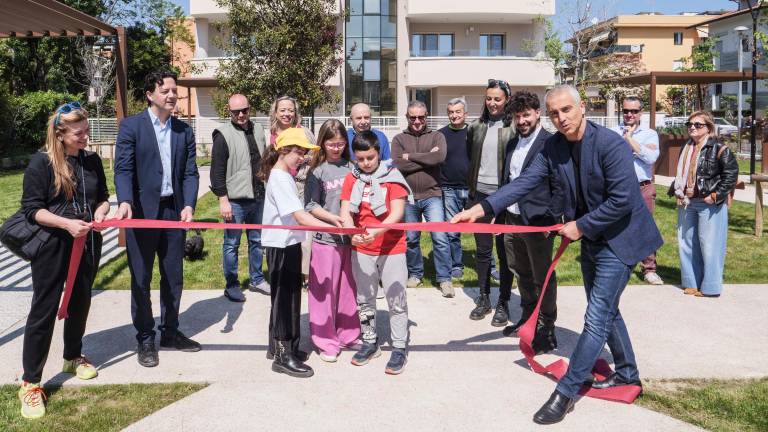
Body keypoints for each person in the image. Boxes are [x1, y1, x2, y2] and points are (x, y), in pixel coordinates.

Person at [453, 85, 663, 425]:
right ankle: (627, 373)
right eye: (554, 113)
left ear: (582, 108)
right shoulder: (552, 147)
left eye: (566, 110)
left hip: (622, 240)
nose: (561, 118)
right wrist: (483, 207)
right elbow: (525, 182)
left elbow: (623, 200)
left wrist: (580, 225)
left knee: (595, 317)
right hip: (595, 239)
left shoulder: (610, 144)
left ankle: (566, 392)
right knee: (608, 312)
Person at [17, 102, 110, 419]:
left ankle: (73, 356)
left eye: (87, 131)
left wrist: (101, 211)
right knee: (43, 310)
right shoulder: (41, 164)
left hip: (86, 245)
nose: (86, 137)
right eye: (79, 133)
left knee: (81, 301)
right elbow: (32, 209)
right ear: (61, 134)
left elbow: (103, 197)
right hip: (52, 246)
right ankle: (31, 383)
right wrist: (67, 224)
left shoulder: (92, 160)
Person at [114, 70, 201, 368]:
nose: (173, 95)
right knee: (141, 279)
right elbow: (123, 169)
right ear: (151, 94)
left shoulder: (183, 131)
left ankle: (171, 332)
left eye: (174, 90)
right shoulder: (131, 127)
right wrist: (125, 200)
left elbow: (190, 172)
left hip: (173, 212)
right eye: (166, 90)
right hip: (141, 213)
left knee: (173, 277)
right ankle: (145, 337)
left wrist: (188, 204)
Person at [259, 128, 334, 378]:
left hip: (288, 243)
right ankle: (282, 356)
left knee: (289, 298)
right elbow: (300, 217)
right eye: (298, 152)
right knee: (284, 301)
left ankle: (284, 347)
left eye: (304, 152)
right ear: (283, 151)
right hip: (281, 246)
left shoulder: (284, 176)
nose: (302, 157)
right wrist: (335, 229)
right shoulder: (280, 178)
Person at [340, 130, 413, 375]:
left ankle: (400, 347)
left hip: (391, 246)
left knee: (396, 298)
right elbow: (345, 213)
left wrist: (378, 231)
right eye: (360, 159)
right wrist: (352, 233)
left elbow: (397, 213)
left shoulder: (393, 176)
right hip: (362, 247)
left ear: (378, 153)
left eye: (370, 158)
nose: (365, 163)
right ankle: (370, 341)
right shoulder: (352, 178)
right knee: (365, 298)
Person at [498, 91, 560, 356]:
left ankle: (547, 329)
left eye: (526, 115)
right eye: (517, 116)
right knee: (519, 271)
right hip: (512, 220)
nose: (521, 120)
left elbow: (560, 184)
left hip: (538, 222)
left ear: (537, 114)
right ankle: (527, 318)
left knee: (542, 277)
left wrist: (554, 219)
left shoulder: (551, 143)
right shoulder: (513, 143)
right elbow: (509, 181)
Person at [305, 119, 361, 362]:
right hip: (325, 240)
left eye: (340, 144)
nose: (336, 148)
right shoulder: (317, 172)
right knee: (324, 292)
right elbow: (311, 206)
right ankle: (325, 340)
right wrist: (334, 219)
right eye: (331, 144)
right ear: (322, 144)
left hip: (350, 241)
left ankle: (348, 334)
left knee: (349, 291)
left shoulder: (354, 167)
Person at [669, 111, 738, 298]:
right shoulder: (687, 147)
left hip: (709, 203)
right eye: (690, 124)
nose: (692, 127)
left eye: (698, 124)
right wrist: (679, 191)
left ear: (709, 128)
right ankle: (691, 283)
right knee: (686, 243)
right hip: (687, 201)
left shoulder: (719, 148)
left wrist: (715, 196)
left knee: (710, 245)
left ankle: (710, 287)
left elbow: (731, 174)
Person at [465, 79, 516, 325]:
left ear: (506, 99)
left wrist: (504, 200)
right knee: (483, 251)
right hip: (479, 198)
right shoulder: (475, 126)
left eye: (497, 98)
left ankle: (503, 302)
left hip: (504, 198)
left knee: (505, 253)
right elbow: (470, 157)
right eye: (489, 98)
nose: (492, 103)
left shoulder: (514, 127)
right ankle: (484, 298)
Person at [210, 93, 270, 303]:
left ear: (249, 108)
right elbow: (216, 172)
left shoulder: (259, 129)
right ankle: (232, 284)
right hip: (235, 200)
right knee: (231, 244)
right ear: (230, 112)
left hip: (258, 196)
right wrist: (223, 199)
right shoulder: (222, 134)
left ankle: (257, 278)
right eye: (236, 112)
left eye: (245, 110)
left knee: (257, 240)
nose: (241, 115)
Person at [391, 100, 453, 296]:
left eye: (421, 117)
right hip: (408, 197)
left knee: (440, 237)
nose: (417, 121)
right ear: (407, 117)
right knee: (411, 239)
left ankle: (445, 279)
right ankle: (415, 274)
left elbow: (439, 159)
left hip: (432, 195)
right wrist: (426, 157)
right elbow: (398, 165)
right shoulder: (399, 139)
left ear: (426, 116)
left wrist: (411, 156)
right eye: (413, 117)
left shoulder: (437, 136)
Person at [610, 96, 664, 285]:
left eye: (634, 111)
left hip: (643, 187)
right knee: (616, 226)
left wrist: (629, 140)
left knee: (645, 227)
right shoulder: (612, 132)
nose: (629, 114)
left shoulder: (649, 134)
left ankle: (649, 269)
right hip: (618, 188)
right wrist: (634, 149)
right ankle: (620, 263)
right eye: (626, 111)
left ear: (641, 112)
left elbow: (650, 158)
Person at [268, 95, 315, 287]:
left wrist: (302, 159)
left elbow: (315, 156)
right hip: (281, 185)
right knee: (284, 231)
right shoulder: (271, 133)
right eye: (283, 110)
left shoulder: (304, 132)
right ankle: (287, 271)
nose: (287, 114)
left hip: (301, 185)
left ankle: (306, 275)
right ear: (276, 112)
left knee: (305, 232)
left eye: (291, 110)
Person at [439, 97, 471, 280]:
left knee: (482, 231)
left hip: (472, 188)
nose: (454, 115)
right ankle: (456, 265)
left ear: (465, 113)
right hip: (449, 189)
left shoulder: (474, 132)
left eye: (458, 111)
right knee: (452, 232)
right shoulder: (441, 135)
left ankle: (490, 266)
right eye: (451, 112)